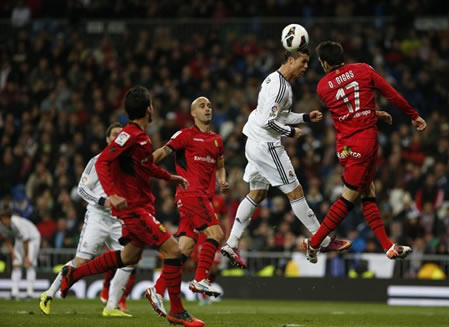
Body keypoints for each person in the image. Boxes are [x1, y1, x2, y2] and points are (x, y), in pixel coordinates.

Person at [59, 86, 204, 327]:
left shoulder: (141, 137)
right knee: (174, 251)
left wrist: (171, 177)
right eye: (152, 104)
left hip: (141, 207)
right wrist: (113, 194)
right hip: (134, 210)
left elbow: (146, 167)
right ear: (148, 109)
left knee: (128, 257)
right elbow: (105, 160)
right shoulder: (129, 135)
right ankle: (177, 311)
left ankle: (73, 274)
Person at [220, 48, 352, 268]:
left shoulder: (274, 80)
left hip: (253, 142)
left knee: (258, 193)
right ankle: (323, 240)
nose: (306, 67)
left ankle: (231, 242)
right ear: (290, 60)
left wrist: (305, 118)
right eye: (303, 62)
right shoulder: (281, 89)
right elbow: (267, 121)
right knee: (296, 192)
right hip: (267, 146)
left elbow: (279, 115)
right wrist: (290, 132)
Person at [303, 41, 427, 261]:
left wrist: (373, 113)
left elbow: (345, 111)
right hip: (365, 143)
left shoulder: (322, 87)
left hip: (344, 147)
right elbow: (392, 94)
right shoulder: (363, 70)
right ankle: (314, 244)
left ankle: (388, 246)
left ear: (324, 63)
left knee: (368, 192)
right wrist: (413, 115)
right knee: (349, 198)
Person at [39, 122, 136, 317]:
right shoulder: (98, 160)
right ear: (108, 139)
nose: (118, 137)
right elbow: (82, 189)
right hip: (98, 216)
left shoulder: (127, 162)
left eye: (121, 134)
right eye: (115, 134)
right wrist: (103, 200)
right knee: (82, 260)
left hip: (118, 219)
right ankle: (49, 293)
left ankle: (111, 306)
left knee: (129, 260)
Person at [145, 96, 227, 315]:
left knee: (183, 250)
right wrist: (144, 164)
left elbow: (220, 165)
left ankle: (157, 289)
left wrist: (222, 179)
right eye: (202, 106)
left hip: (203, 197)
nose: (207, 109)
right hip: (191, 193)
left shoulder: (217, 140)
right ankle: (200, 278)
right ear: (193, 113)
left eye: (209, 105)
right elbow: (163, 151)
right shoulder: (185, 135)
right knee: (216, 234)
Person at [0, 206, 41, 299]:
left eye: (5, 218)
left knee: (29, 264)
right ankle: (15, 292)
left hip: (32, 238)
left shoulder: (17, 223)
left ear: (9, 218)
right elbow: (7, 239)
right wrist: (13, 253)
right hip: (20, 239)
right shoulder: (1, 225)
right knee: (16, 264)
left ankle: (30, 293)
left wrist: (26, 257)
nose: (3, 221)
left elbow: (26, 240)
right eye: (2, 219)